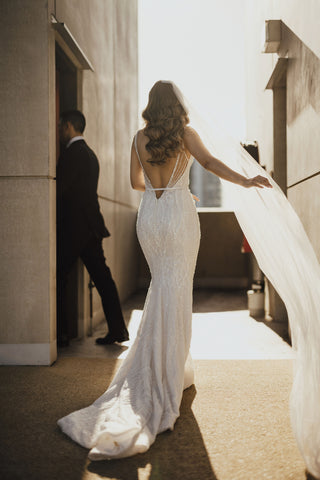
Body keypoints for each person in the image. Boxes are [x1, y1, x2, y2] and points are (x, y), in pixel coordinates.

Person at [57, 82, 271, 459]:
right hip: (177, 214)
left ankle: (163, 365)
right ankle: (169, 372)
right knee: (177, 290)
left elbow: (136, 183)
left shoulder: (140, 137)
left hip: (151, 217)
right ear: (176, 105)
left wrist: (163, 190)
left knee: (161, 286)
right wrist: (245, 180)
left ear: (151, 106)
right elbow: (210, 164)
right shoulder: (186, 134)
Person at [56, 110, 129, 347]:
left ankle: (62, 334)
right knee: (103, 280)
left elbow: (62, 190)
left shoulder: (71, 154)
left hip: (74, 229)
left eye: (60, 126)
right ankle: (118, 330)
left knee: (59, 277)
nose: (58, 131)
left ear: (68, 126)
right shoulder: (90, 154)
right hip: (91, 227)